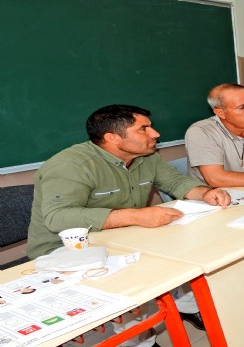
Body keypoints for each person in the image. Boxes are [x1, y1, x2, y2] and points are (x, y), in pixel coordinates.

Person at [27, 104, 231, 346]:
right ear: (112, 138)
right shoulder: (70, 165)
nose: (155, 134)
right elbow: (58, 218)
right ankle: (142, 341)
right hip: (66, 249)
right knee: (135, 282)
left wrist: (204, 192)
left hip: (125, 236)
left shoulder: (146, 156)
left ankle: (186, 306)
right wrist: (136, 216)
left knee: (188, 248)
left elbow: (174, 181)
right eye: (143, 129)